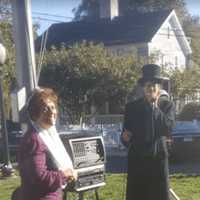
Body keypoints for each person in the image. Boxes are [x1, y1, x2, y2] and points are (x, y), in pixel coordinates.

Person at [121, 64, 175, 200]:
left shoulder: (167, 106)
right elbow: (125, 134)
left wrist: (155, 107)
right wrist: (124, 138)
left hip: (158, 161)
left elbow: (167, 128)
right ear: (143, 87)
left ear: (159, 88)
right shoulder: (132, 107)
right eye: (148, 85)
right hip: (137, 161)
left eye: (154, 85)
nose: (151, 88)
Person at [15, 87, 77, 200]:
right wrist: (64, 175)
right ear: (35, 114)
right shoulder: (34, 140)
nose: (51, 112)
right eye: (45, 109)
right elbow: (39, 177)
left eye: (53, 107)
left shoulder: (48, 136)